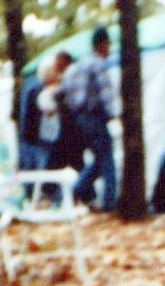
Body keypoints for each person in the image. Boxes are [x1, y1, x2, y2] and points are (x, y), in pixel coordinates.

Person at [63, 29, 120, 213]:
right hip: (95, 116)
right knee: (108, 160)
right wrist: (116, 114)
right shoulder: (98, 64)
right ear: (102, 44)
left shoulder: (78, 65)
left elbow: (67, 92)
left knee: (99, 158)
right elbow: (105, 94)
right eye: (108, 44)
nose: (109, 48)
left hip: (80, 119)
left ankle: (78, 188)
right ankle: (109, 203)